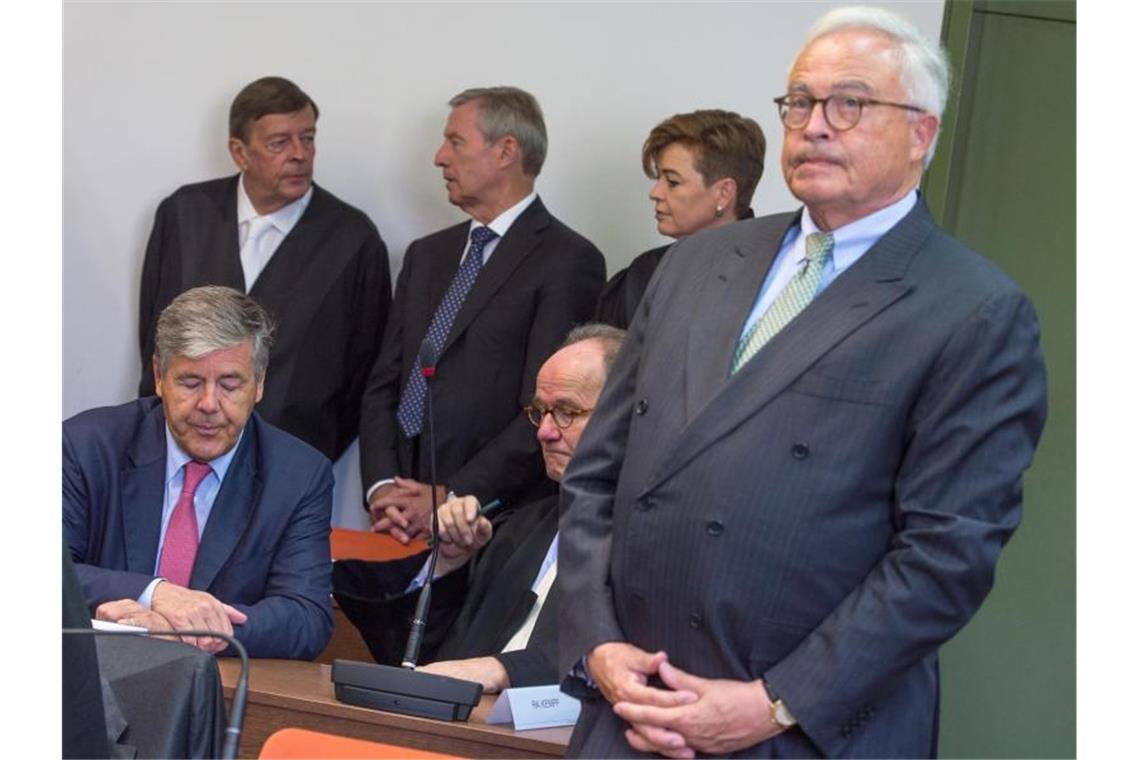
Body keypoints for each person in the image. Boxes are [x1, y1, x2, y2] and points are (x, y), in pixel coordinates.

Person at [558, 7, 1048, 758]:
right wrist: (596, 641)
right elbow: (596, 476)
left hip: (801, 731)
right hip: (634, 714)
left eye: (849, 103)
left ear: (923, 132)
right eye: (799, 102)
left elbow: (946, 556)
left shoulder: (973, 309)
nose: (815, 125)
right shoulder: (695, 264)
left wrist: (776, 703)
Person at [359, 86, 606, 543]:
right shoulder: (426, 255)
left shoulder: (568, 260)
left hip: (491, 523)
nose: (438, 157)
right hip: (394, 519)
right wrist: (382, 489)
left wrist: (453, 494)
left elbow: (545, 408)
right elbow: (384, 383)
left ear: (506, 151)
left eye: (456, 142)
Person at [336, 325, 623, 692]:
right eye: (540, 412)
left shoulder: (660, 541)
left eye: (567, 411)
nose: (545, 432)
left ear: (624, 413)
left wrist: (502, 670)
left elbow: (630, 660)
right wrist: (448, 563)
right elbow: (417, 657)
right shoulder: (517, 530)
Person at [66, 286, 333, 660]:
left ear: (259, 384)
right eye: (190, 382)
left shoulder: (299, 476)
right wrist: (157, 593)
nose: (209, 404)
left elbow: (306, 617)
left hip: (215, 695)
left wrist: (191, 629)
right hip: (97, 682)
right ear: (159, 376)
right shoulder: (88, 446)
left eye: (229, 384)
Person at [138, 76, 390, 462]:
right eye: (280, 143)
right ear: (239, 152)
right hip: (177, 452)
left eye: (308, 138)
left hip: (290, 460)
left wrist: (310, 458)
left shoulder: (353, 239)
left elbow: (366, 371)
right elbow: (155, 335)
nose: (299, 154)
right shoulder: (184, 214)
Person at [595, 109, 766, 329]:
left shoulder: (773, 275)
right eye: (659, 179)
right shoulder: (642, 275)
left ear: (724, 193)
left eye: (672, 182)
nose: (655, 193)